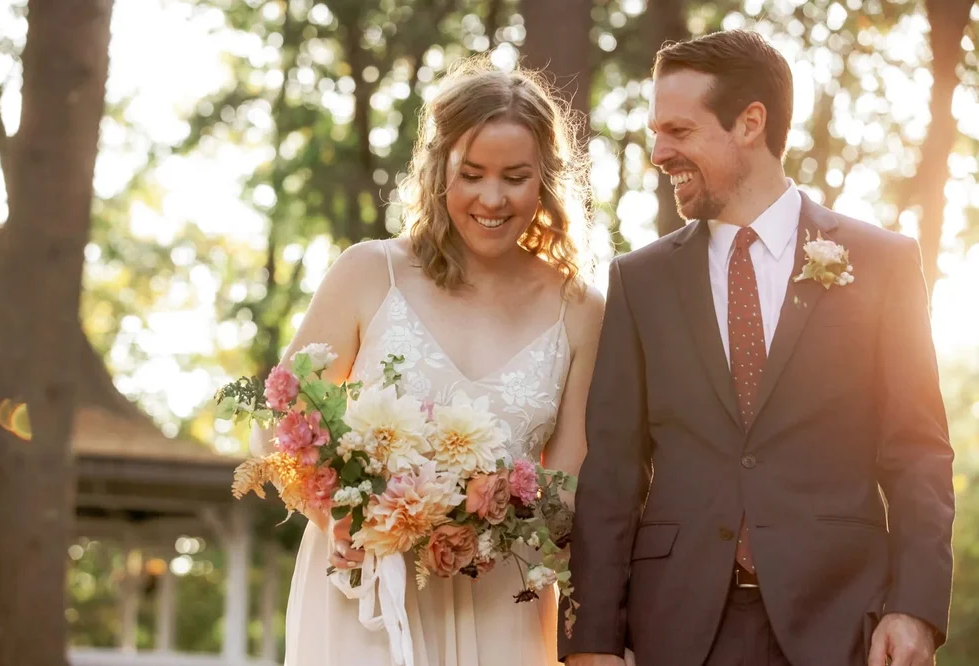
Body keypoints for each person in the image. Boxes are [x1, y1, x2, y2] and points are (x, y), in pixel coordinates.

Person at [561, 30, 954, 666]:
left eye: (678, 131)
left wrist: (915, 607)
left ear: (750, 123)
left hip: (842, 620)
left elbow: (918, 453)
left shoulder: (883, 263)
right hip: (676, 628)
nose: (658, 153)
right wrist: (593, 639)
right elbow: (612, 473)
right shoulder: (640, 281)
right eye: (656, 133)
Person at [252, 55, 605, 666]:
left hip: (501, 605)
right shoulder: (370, 272)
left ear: (545, 179)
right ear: (439, 168)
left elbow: (570, 491)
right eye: (471, 173)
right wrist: (336, 515)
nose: (492, 198)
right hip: (366, 588)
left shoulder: (580, 309)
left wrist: (487, 522)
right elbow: (276, 426)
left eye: (515, 177)